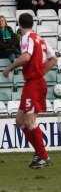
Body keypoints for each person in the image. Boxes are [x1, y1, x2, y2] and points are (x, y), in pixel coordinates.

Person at [2, 13, 57, 169]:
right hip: (34, 82)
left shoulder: (26, 38)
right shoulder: (39, 38)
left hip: (34, 84)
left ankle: (43, 157)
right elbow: (53, 59)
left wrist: (9, 68)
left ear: (19, 25)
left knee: (29, 121)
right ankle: (39, 153)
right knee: (20, 121)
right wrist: (40, 73)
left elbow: (26, 57)